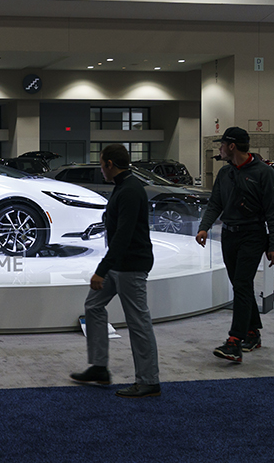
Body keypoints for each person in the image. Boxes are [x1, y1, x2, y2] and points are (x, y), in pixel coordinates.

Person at [70, 144, 160, 398]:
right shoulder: (123, 187)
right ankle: (99, 367)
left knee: (138, 322)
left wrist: (101, 269)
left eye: (101, 164)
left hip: (130, 266)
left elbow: (123, 236)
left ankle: (149, 380)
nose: (101, 169)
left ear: (110, 164)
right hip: (119, 264)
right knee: (94, 306)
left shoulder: (130, 190)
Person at [196, 126, 274, 363]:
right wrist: (204, 226)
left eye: (222, 145)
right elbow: (215, 202)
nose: (220, 149)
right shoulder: (225, 174)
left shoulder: (264, 173)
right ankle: (253, 332)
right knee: (239, 285)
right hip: (230, 235)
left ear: (232, 146)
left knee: (243, 284)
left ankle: (234, 341)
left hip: (253, 236)